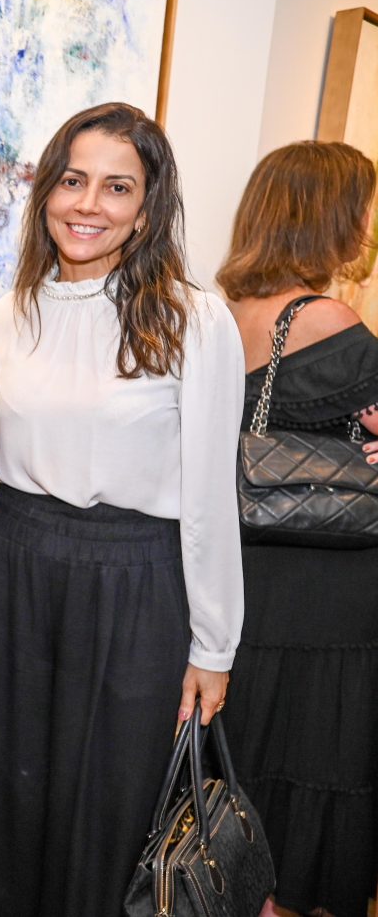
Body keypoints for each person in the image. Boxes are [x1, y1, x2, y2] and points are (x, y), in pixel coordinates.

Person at [0, 102, 245, 915]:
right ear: (47, 190)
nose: (88, 204)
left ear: (147, 208)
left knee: (112, 811)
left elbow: (207, 502)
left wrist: (214, 645)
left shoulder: (196, 321)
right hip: (14, 568)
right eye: (73, 180)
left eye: (116, 187)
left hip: (137, 583)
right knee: (4, 794)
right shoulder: (1, 319)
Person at [216, 140, 378, 917]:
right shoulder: (328, 319)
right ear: (331, 216)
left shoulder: (216, 315)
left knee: (252, 776)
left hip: (246, 587)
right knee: (320, 768)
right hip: (330, 595)